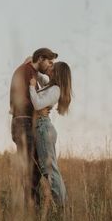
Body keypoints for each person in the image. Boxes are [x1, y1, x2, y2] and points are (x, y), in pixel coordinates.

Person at [9, 48, 58, 207]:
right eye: (49, 62)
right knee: (31, 169)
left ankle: (32, 209)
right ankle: (31, 212)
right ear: (41, 58)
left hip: (25, 122)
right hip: (24, 123)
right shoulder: (27, 72)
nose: (51, 66)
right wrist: (39, 109)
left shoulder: (29, 72)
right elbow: (22, 100)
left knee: (34, 168)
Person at [29, 61, 72, 207]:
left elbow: (37, 104)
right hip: (42, 128)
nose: (50, 68)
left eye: (53, 68)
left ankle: (63, 207)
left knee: (50, 170)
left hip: (43, 128)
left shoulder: (56, 90)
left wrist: (31, 86)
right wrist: (32, 64)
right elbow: (40, 77)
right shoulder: (51, 86)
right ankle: (61, 206)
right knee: (48, 169)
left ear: (58, 73)